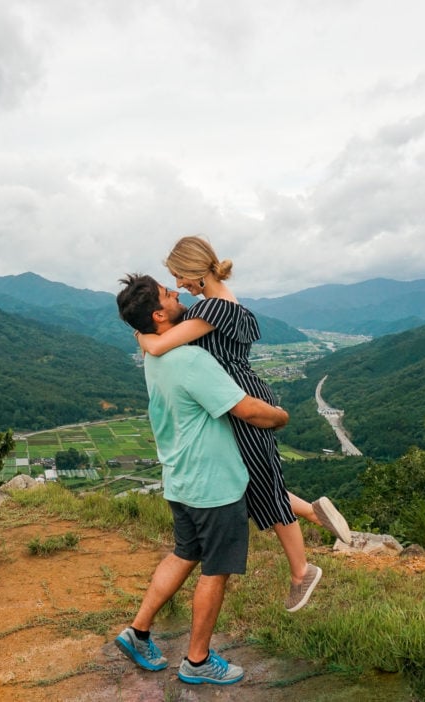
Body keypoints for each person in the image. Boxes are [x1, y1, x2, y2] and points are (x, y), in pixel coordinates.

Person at [137, 235, 352, 612]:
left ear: (194, 270)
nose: (178, 285)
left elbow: (157, 345)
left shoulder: (215, 310)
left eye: (179, 276)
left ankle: (302, 572)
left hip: (244, 402)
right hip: (230, 400)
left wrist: (138, 330)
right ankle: (313, 512)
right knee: (249, 482)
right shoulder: (210, 307)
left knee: (265, 486)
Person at [113, 273, 290, 686]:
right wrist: (280, 416)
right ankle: (197, 661)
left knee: (183, 554)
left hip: (180, 479)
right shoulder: (190, 359)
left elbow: (149, 341)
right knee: (216, 569)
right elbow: (246, 410)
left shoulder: (154, 354)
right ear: (159, 314)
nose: (176, 294)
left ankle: (137, 632)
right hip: (213, 485)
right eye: (167, 294)